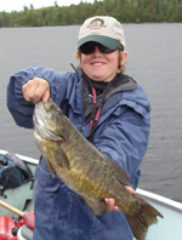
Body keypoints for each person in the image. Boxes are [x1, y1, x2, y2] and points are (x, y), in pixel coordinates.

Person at [7, 16, 151, 240]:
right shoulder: (64, 86)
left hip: (100, 232)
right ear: (79, 55)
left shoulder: (133, 105)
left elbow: (121, 148)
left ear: (122, 56)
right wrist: (33, 82)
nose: (96, 53)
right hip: (50, 229)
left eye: (106, 47)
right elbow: (24, 96)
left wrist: (110, 185)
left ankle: (137, 212)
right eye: (87, 47)